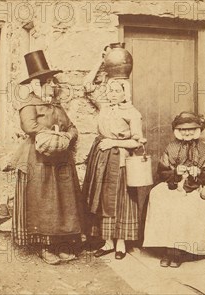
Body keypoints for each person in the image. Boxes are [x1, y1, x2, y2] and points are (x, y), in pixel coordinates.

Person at [12, 50, 83, 264]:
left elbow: (72, 127)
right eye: (48, 82)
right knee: (43, 202)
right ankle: (45, 247)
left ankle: (60, 245)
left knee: (63, 202)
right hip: (38, 159)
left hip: (61, 160)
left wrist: (67, 136)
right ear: (36, 84)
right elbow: (30, 126)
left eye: (53, 82)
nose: (53, 86)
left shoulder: (57, 106)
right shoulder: (29, 105)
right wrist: (52, 135)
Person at [143, 112, 205, 268]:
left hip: (195, 187)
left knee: (183, 206)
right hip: (174, 184)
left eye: (191, 129)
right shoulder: (171, 147)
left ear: (198, 130)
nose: (187, 132)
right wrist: (175, 172)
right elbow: (162, 171)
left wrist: (199, 173)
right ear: (177, 130)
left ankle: (178, 251)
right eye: (183, 129)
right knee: (157, 196)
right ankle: (166, 249)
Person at [82, 78, 146, 260]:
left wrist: (113, 142)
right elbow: (87, 87)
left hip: (120, 160)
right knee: (102, 198)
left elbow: (137, 141)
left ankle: (121, 243)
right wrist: (100, 60)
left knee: (120, 199)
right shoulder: (104, 107)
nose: (112, 95)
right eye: (110, 91)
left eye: (117, 91)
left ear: (125, 93)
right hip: (101, 158)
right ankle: (108, 241)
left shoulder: (133, 113)